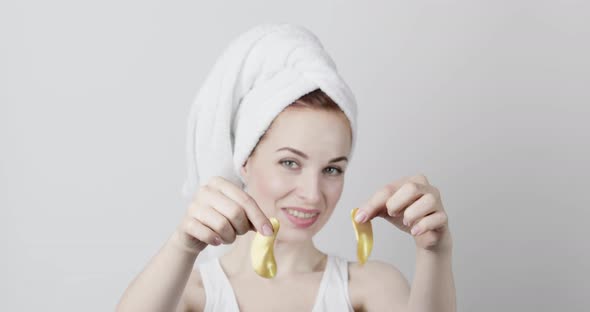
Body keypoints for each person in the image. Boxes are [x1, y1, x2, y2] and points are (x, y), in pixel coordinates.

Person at [117, 24, 456, 312]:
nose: (312, 194)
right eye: (290, 162)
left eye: (332, 169)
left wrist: (434, 251)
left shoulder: (370, 288)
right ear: (245, 161)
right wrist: (183, 245)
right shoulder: (192, 294)